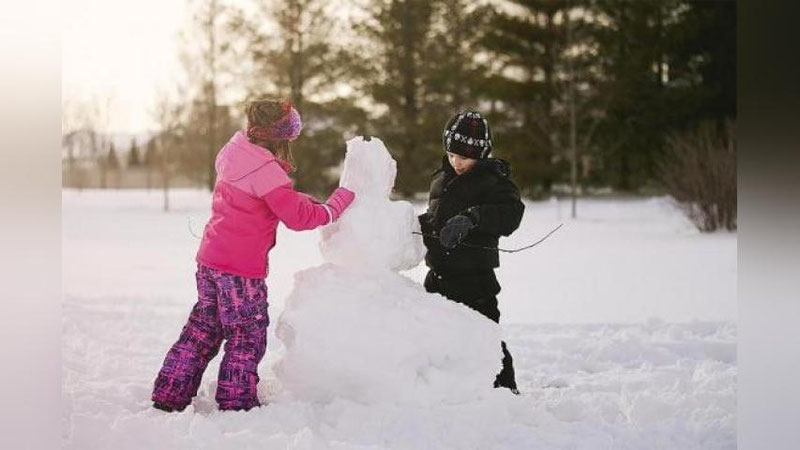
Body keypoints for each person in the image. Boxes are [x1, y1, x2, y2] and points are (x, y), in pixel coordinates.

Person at [151, 99, 355, 411]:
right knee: (246, 333)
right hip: (240, 271)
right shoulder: (266, 170)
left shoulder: (236, 152)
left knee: (204, 326)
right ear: (279, 139)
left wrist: (300, 198)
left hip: (210, 259)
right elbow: (297, 218)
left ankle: (170, 392)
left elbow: (263, 196)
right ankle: (236, 402)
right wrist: (333, 207)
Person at [419, 110, 525, 394]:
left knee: (486, 337)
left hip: (474, 279)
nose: (457, 163)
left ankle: (505, 393)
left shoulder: (493, 181)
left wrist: (473, 217)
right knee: (433, 336)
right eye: (452, 155)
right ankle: (445, 390)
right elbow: (433, 218)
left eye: (464, 158)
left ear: (482, 154)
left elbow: (511, 214)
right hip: (439, 277)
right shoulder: (441, 178)